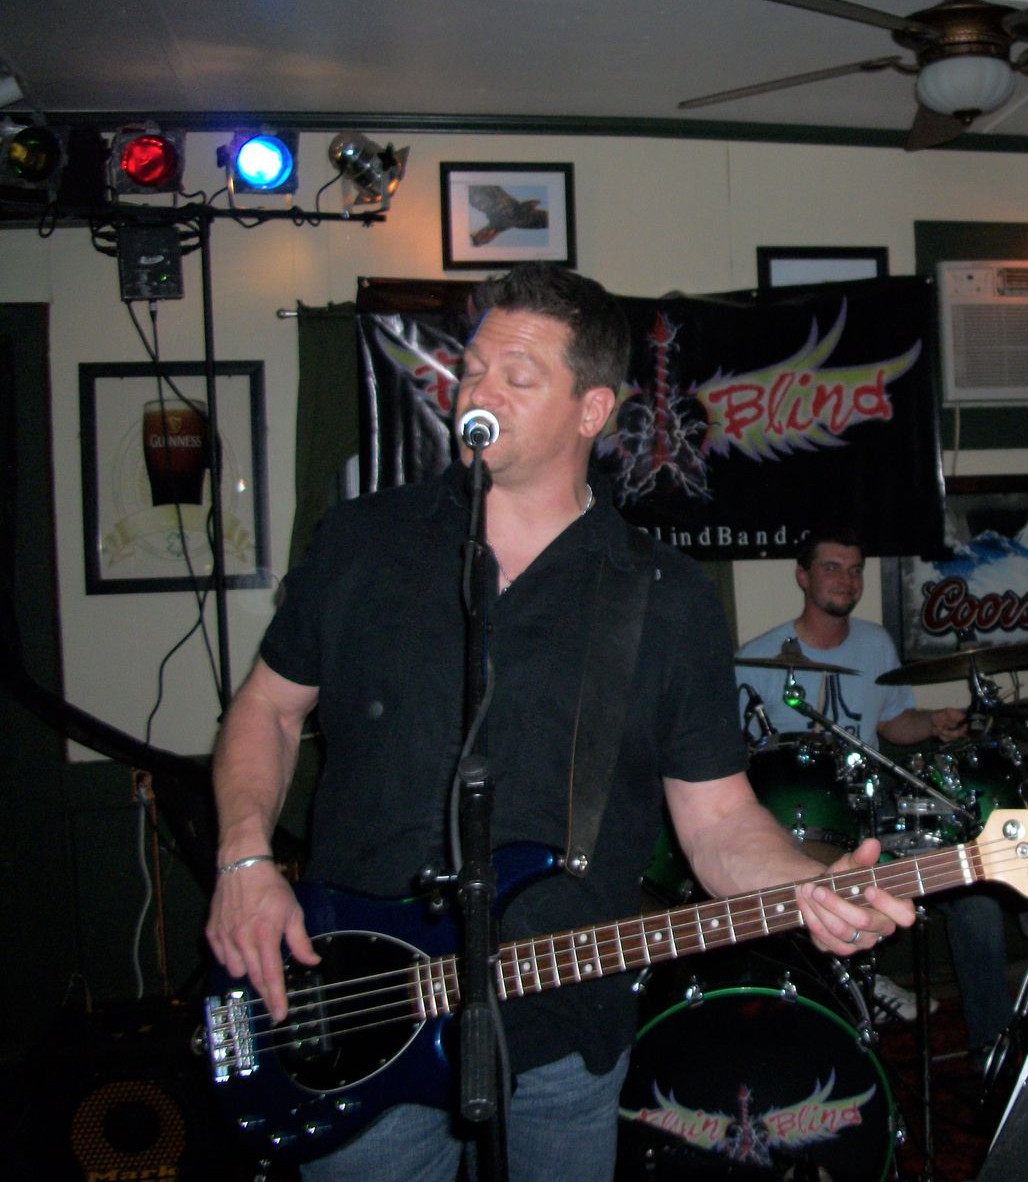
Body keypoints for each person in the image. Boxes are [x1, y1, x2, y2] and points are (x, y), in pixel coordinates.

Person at [204, 264, 915, 1182]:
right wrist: (244, 858)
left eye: (518, 377)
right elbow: (268, 706)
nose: (479, 393)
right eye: (474, 369)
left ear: (592, 411)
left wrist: (806, 886)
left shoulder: (663, 595)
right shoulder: (363, 540)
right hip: (355, 1006)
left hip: (563, 1025)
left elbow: (718, 820)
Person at [735, 528, 1014, 1059]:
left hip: (871, 817)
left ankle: (994, 1049)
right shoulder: (755, 658)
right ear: (802, 576)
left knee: (974, 892)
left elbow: (893, 724)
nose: (847, 579)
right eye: (831, 567)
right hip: (794, 831)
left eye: (855, 569)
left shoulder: (876, 644)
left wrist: (931, 721)